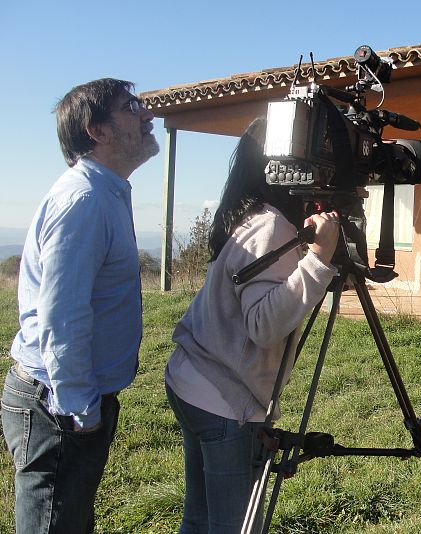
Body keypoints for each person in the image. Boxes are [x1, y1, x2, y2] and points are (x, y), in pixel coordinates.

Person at [164, 116, 340, 532]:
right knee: (235, 526)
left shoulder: (249, 213)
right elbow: (262, 324)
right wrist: (319, 260)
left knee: (200, 517)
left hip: (193, 381)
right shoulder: (271, 225)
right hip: (222, 399)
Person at [1, 78, 159, 532]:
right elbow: (62, 316)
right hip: (59, 403)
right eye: (132, 107)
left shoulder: (105, 191)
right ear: (97, 130)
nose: (148, 115)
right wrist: (79, 409)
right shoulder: (85, 200)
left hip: (71, 399)